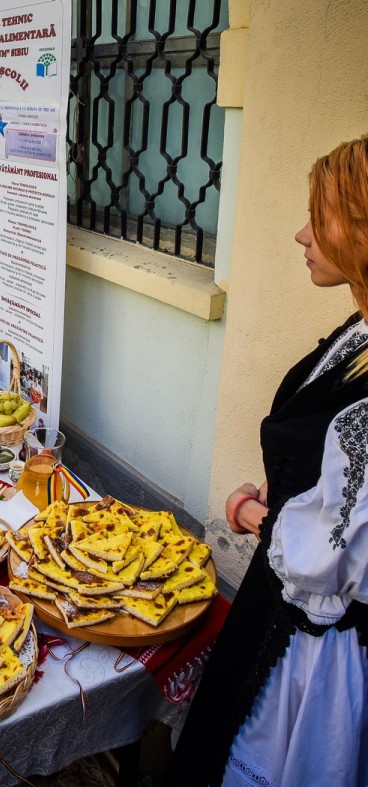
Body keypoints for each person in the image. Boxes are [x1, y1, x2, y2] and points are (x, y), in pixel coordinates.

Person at [168, 137, 368, 787]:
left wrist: (254, 511)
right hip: (277, 597)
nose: (301, 233)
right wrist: (290, 492)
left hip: (312, 646)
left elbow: (333, 560)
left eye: (321, 214)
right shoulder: (358, 332)